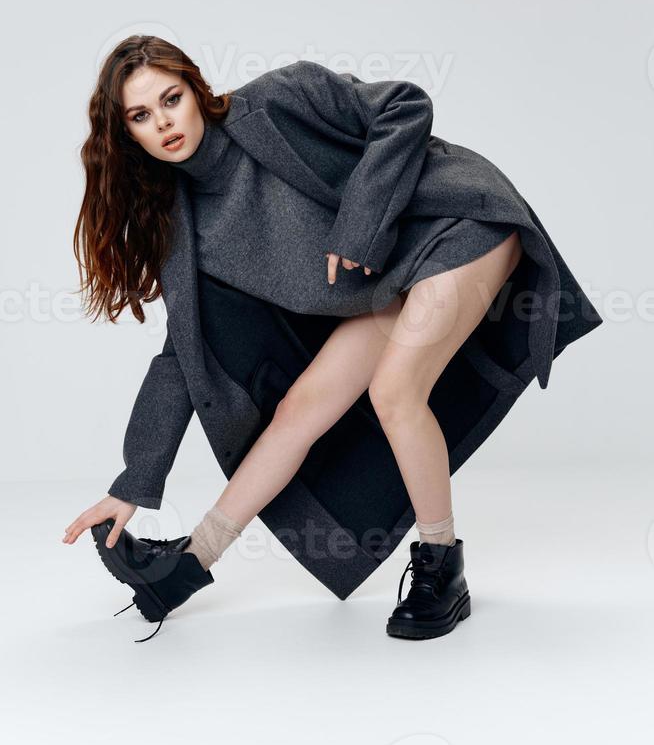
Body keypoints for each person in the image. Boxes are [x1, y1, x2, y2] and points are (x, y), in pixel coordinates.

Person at [63, 36, 595, 643]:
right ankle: (186, 567)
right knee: (298, 410)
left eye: (171, 99)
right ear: (127, 134)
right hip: (393, 282)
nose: (164, 122)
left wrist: (361, 224)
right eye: (141, 115)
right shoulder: (184, 229)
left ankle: (442, 564)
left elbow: (406, 105)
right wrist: (131, 484)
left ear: (195, 89)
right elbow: (180, 354)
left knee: (395, 391)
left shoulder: (277, 102)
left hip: (458, 222)